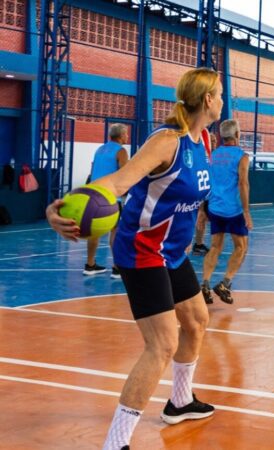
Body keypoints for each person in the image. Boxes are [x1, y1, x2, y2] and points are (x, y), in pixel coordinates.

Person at [46, 67, 222, 449]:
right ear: (208, 100)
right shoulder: (167, 142)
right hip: (142, 249)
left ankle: (180, 402)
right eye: (220, 94)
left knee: (196, 321)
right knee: (162, 344)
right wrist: (66, 205)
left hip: (172, 252)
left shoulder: (204, 140)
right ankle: (116, 442)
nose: (223, 101)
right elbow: (117, 183)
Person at [201, 119, 252, 304]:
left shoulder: (213, 155)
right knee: (241, 247)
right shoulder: (242, 156)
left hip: (215, 207)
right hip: (234, 210)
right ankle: (225, 283)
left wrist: (203, 209)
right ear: (237, 134)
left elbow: (206, 182)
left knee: (215, 246)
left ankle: (205, 284)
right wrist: (246, 211)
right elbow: (243, 183)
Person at [85, 123, 129, 277]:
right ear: (121, 135)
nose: (127, 136)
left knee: (94, 231)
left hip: (94, 194)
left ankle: (89, 265)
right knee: (115, 231)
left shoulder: (100, 149)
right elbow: (125, 174)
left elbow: (92, 172)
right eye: (126, 134)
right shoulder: (121, 151)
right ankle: (117, 268)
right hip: (111, 197)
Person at [191, 133, 217, 256]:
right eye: (212, 141)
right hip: (198, 190)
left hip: (207, 191)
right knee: (200, 215)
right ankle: (197, 244)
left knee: (203, 217)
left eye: (215, 141)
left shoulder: (214, 156)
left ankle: (198, 243)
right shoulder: (201, 154)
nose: (214, 143)